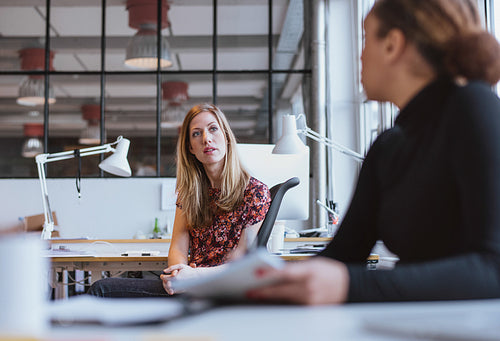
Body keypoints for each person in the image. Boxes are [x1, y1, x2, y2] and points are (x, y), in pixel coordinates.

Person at [246, 0, 500, 305]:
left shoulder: (474, 106)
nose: (360, 55)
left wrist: (351, 285)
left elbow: (493, 270)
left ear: (393, 45)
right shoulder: (388, 146)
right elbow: (341, 258)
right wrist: (252, 281)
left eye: (366, 39)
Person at [88, 103, 270, 297]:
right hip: (190, 287)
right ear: (190, 148)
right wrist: (178, 274)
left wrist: (195, 275)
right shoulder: (190, 192)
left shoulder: (255, 192)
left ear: (226, 137)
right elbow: (177, 246)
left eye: (213, 129)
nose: (206, 139)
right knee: (102, 288)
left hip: (226, 288)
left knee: (101, 290)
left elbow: (242, 262)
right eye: (196, 134)